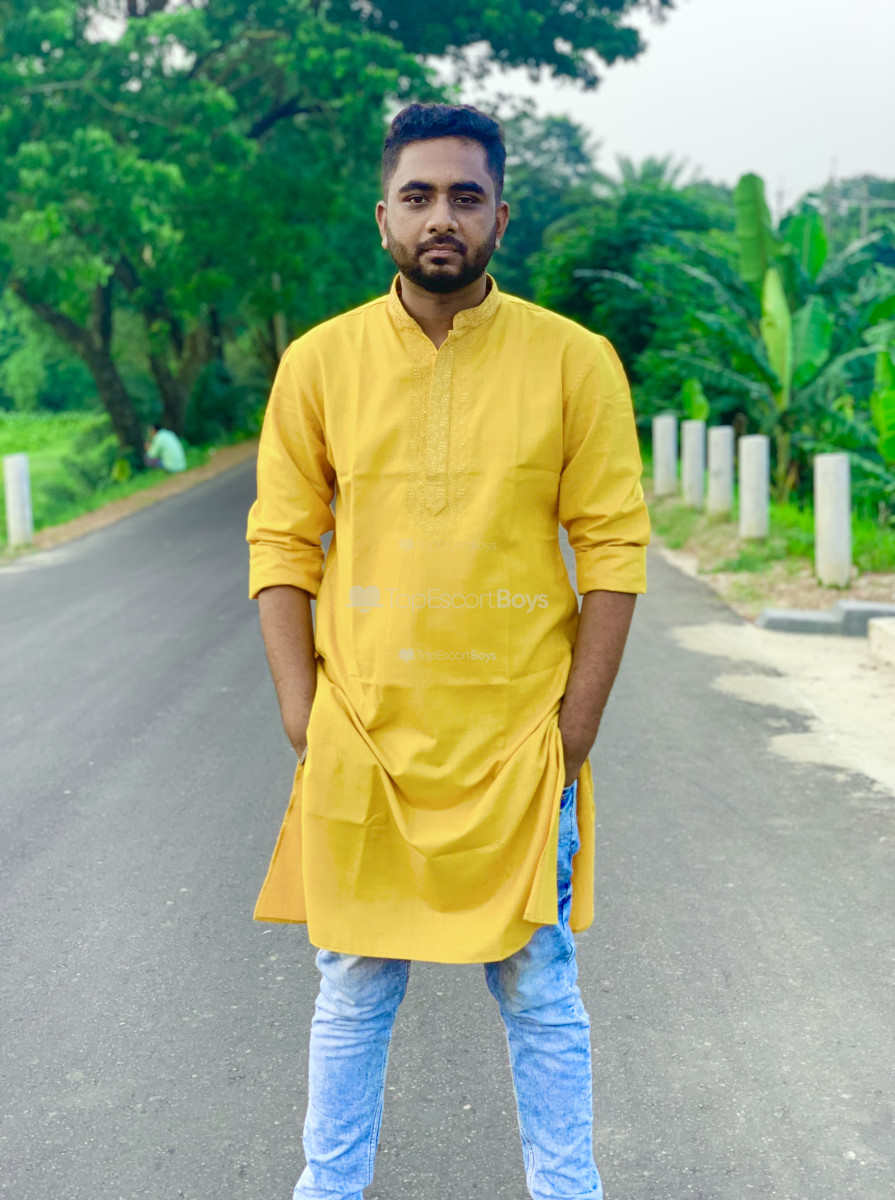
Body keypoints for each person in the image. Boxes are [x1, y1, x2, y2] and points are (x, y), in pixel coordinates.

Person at [246, 102, 650, 1200]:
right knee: (352, 988)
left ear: (500, 217)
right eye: (418, 196)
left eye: (465, 197)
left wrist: (572, 733)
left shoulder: (572, 361)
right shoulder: (319, 362)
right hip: (365, 737)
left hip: (517, 742)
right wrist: (304, 714)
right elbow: (283, 541)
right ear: (381, 216)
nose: (441, 218)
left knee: (539, 989)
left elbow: (612, 547)